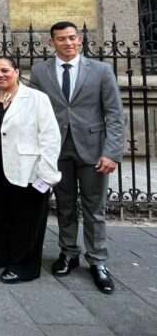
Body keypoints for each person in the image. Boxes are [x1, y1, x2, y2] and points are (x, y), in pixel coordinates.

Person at [30, 21, 125, 294]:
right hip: (57, 151)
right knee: (65, 205)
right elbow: (35, 112)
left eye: (72, 37)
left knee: (95, 209)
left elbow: (115, 114)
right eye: (61, 39)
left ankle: (98, 261)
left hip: (94, 151)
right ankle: (68, 252)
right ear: (52, 43)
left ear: (80, 39)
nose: (68, 43)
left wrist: (112, 152)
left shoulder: (101, 70)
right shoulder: (39, 71)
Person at [0, 56, 62, 283]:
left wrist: (47, 174)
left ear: (16, 71)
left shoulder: (36, 98)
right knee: (1, 213)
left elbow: (50, 136)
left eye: (5, 70)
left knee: (26, 218)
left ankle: (24, 266)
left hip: (29, 167)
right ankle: (1, 253)